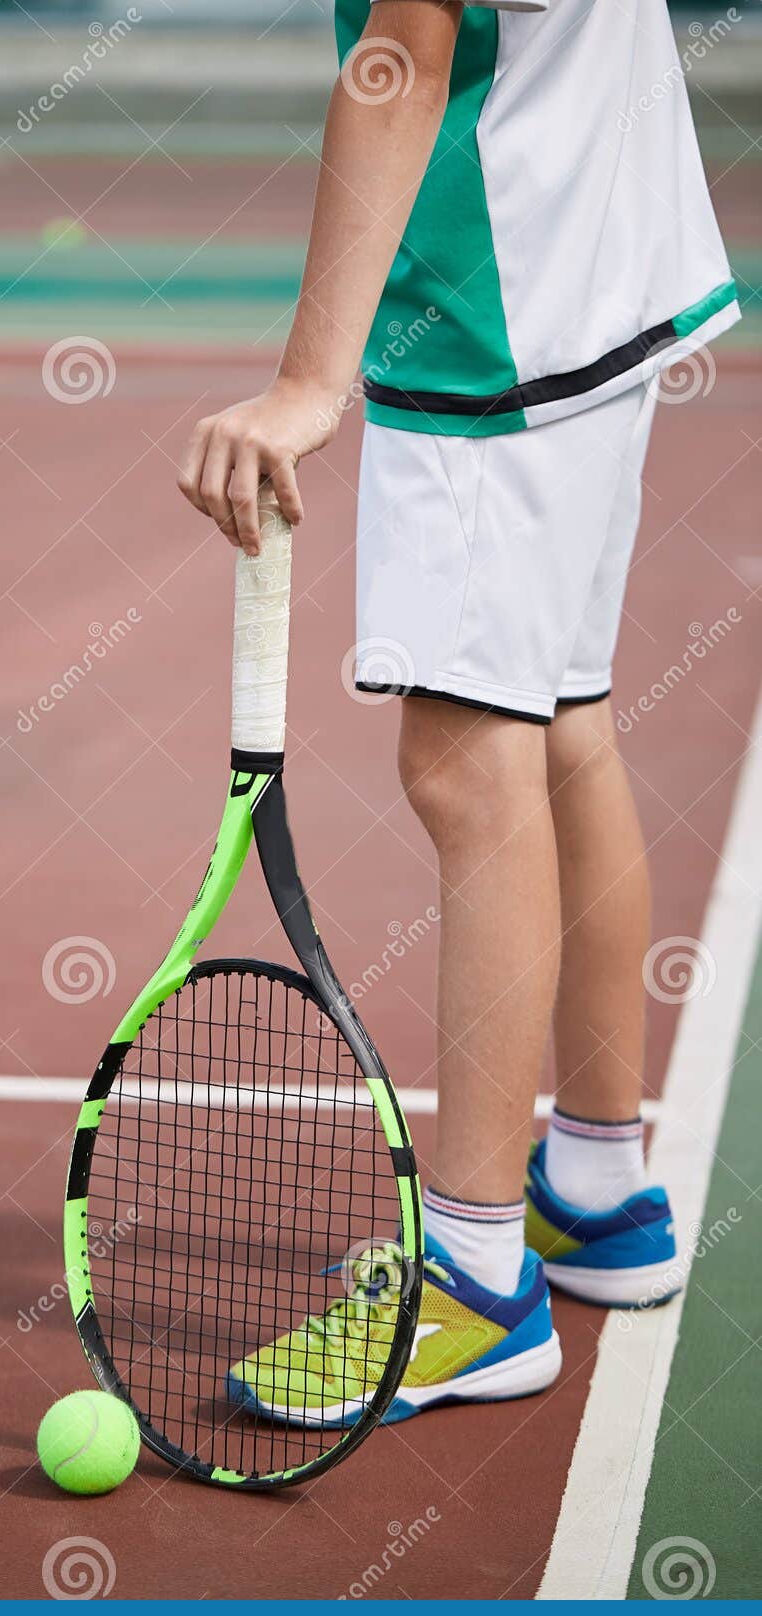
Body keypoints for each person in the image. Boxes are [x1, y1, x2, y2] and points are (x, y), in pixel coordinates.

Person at [179, 0, 738, 1420]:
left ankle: (479, 1283)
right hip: (616, 266)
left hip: (496, 299)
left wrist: (312, 381)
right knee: (564, 721)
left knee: (466, 768)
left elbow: (406, 53)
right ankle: (597, 1189)